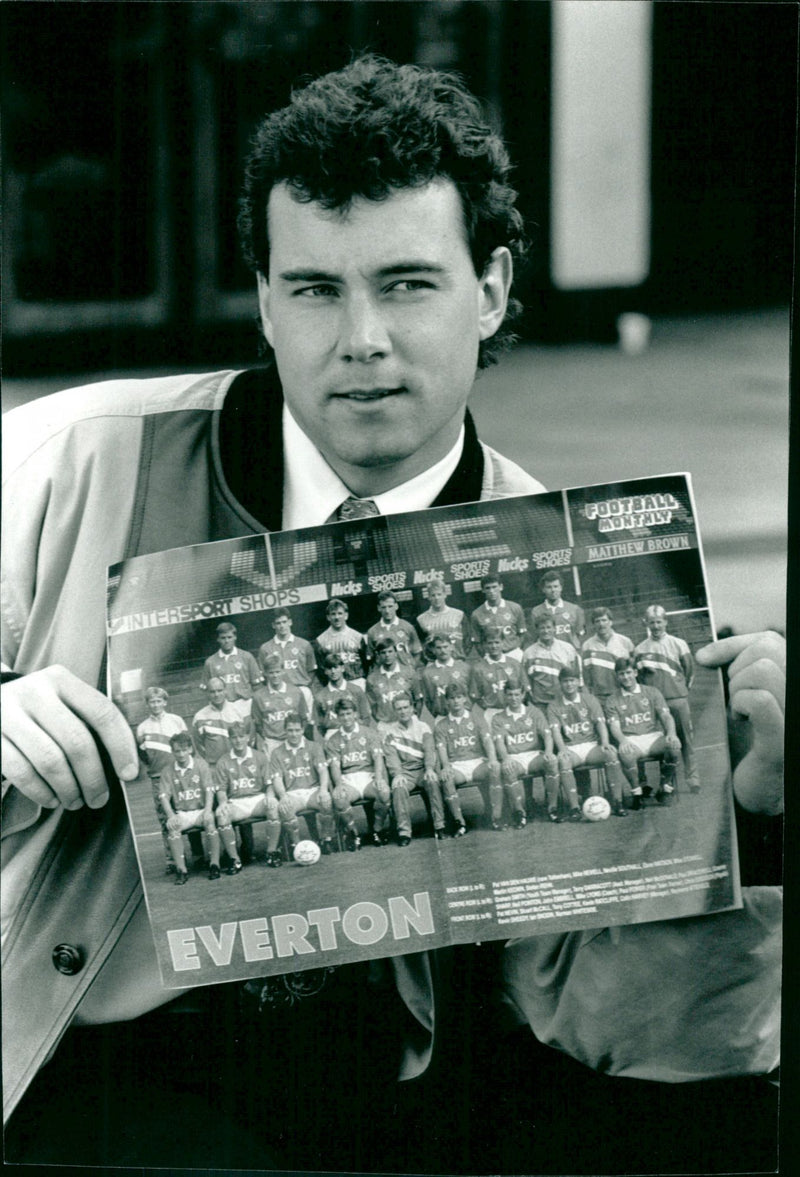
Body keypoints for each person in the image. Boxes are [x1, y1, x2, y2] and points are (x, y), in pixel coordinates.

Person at [1, 54, 782, 1176]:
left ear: (493, 289)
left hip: (406, 1074)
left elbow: (630, 1020)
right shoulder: (68, 461)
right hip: (113, 1057)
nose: (359, 337)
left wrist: (751, 817)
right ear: (265, 300)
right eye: (315, 288)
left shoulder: (572, 571)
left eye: (407, 283)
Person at [634, 604, 700, 791]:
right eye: (651, 622)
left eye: (659, 622)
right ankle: (665, 782)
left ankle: (692, 778)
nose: (655, 626)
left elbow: (690, 671)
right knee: (655, 742)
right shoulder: (640, 649)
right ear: (645, 623)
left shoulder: (679, 643)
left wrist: (680, 690)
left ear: (665, 622)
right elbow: (639, 679)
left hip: (677, 700)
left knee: (685, 740)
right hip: (653, 705)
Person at [548, 666, 628, 819]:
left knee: (610, 753)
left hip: (591, 746)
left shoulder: (590, 699)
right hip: (572, 748)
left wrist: (604, 742)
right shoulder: (553, 705)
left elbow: (600, 723)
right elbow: (555, 731)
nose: (569, 684)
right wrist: (562, 749)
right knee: (563, 761)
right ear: (560, 683)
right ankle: (574, 808)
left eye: (572, 681)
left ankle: (617, 801)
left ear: (578, 682)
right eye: (565, 681)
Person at [604, 657, 682, 807]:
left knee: (674, 747)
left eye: (628, 673)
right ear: (617, 676)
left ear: (635, 672)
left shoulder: (652, 692)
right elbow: (614, 727)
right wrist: (623, 741)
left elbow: (666, 716)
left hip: (653, 737)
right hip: (631, 739)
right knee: (626, 753)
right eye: (621, 674)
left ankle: (665, 788)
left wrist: (671, 733)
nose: (626, 677)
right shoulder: (612, 700)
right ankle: (637, 793)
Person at [213, 719, 282, 871]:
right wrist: (223, 803)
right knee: (222, 815)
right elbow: (221, 790)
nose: (238, 741)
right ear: (229, 739)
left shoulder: (259, 757)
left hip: (257, 800)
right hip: (236, 802)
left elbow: (269, 784)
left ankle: (272, 852)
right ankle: (234, 859)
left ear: (247, 737)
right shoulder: (223, 762)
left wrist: (270, 796)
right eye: (234, 737)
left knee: (273, 807)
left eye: (241, 736)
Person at [135, 685, 189, 872]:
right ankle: (172, 860)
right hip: (158, 777)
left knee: (190, 809)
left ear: (165, 702)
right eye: (152, 701)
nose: (156, 704)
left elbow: (188, 747)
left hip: (180, 774)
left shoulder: (177, 721)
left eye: (159, 701)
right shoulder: (142, 728)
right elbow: (142, 755)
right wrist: (152, 767)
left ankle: (198, 854)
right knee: (164, 816)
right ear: (147, 704)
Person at [435, 681, 503, 830]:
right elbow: (441, 750)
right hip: (457, 766)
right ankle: (459, 822)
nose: (456, 701)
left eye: (459, 697)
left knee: (495, 769)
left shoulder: (477, 718)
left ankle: (496, 817)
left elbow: (487, 741)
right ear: (447, 701)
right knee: (446, 778)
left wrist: (492, 759)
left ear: (465, 698)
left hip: (477, 762)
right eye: (452, 698)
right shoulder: (441, 725)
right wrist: (446, 766)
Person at [325, 696, 391, 849]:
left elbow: (378, 757)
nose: (346, 718)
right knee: (339, 797)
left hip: (368, 776)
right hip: (349, 780)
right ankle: (354, 834)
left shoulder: (369, 733)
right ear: (337, 716)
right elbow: (334, 766)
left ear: (355, 713)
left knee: (384, 792)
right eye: (342, 715)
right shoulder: (333, 740)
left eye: (349, 713)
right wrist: (339, 784)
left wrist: (379, 778)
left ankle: (377, 830)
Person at [491, 681, 559, 828]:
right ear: (505, 696)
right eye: (510, 695)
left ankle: (553, 808)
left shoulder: (534, 712)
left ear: (523, 695)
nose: (513, 698)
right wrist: (506, 758)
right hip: (515, 758)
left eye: (517, 694)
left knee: (552, 762)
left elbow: (547, 735)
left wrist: (548, 752)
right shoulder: (498, 718)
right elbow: (499, 743)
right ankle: (519, 813)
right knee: (507, 768)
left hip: (534, 754)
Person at [158, 731, 221, 884]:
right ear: (172, 751)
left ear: (190, 750)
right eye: (177, 751)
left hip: (200, 811)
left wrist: (207, 811)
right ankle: (182, 870)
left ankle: (214, 865)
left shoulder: (201, 765)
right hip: (183, 813)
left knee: (210, 821)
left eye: (184, 750)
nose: (181, 754)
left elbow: (209, 790)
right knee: (172, 827)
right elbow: (163, 797)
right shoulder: (167, 771)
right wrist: (171, 815)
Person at [270, 713, 335, 860]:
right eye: (290, 730)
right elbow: (277, 779)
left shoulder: (314, 747)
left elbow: (323, 771)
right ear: (285, 731)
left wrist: (323, 790)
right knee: (285, 809)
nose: (294, 734)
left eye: (297, 730)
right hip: (292, 793)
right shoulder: (277, 752)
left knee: (326, 801)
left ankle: (326, 840)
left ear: (302, 730)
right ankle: (297, 846)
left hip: (312, 790)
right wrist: (283, 796)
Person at [382, 692, 444, 844]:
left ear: (412, 708)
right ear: (394, 711)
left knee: (432, 781)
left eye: (405, 707)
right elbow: (391, 757)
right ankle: (404, 832)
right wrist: (397, 774)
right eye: (399, 709)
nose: (403, 711)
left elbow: (430, 750)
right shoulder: (389, 732)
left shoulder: (423, 727)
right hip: (405, 772)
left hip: (422, 768)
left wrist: (429, 768)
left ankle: (439, 825)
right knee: (398, 787)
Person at [257, 607, 317, 714]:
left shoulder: (304, 644)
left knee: (306, 722)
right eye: (278, 623)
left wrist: (302, 685)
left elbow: (311, 670)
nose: (282, 626)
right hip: (277, 692)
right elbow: (264, 674)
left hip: (301, 689)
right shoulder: (265, 648)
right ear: (273, 625)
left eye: (284, 622)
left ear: (290, 622)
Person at [191, 675, 251, 765]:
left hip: (240, 762)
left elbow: (249, 735)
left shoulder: (239, 711)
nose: (216, 695)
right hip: (215, 766)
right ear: (207, 693)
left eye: (220, 690)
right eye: (212, 692)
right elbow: (199, 745)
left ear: (225, 690)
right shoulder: (200, 717)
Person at [200, 621, 263, 706]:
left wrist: (257, 705)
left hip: (245, 703)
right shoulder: (210, 662)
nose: (226, 641)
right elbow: (206, 690)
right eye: (223, 638)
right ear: (218, 639)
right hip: (224, 705)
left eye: (229, 637)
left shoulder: (247, 657)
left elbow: (257, 686)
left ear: (235, 637)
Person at [581, 606, 635, 700]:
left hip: (624, 694)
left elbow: (633, 670)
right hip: (600, 697)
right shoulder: (587, 646)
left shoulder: (625, 642)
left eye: (604, 620)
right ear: (593, 624)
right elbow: (586, 675)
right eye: (597, 621)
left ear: (611, 622)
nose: (601, 624)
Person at [313, 598, 368, 688]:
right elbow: (321, 669)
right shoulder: (321, 640)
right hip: (335, 684)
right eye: (333, 614)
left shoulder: (357, 636)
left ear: (346, 615)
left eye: (340, 613)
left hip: (357, 680)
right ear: (328, 617)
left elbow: (366, 663)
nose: (337, 617)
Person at [469, 574, 527, 660]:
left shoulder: (515, 608)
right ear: (483, 590)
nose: (491, 591)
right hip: (491, 656)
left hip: (513, 653)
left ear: (501, 587)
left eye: (494, 587)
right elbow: (477, 641)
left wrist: (516, 650)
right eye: (488, 588)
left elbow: (522, 634)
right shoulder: (477, 614)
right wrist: (486, 655)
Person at [529, 570, 586, 651]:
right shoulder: (536, 611)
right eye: (549, 587)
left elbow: (580, 634)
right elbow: (534, 637)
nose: (553, 590)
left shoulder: (574, 609)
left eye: (556, 586)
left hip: (570, 653)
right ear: (543, 589)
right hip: (547, 654)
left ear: (561, 588)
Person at [366, 591, 422, 669]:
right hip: (384, 676)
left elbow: (417, 652)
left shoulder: (408, 627)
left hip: (405, 674)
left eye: (390, 606)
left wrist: (411, 669)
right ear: (378, 608)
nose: (387, 611)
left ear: (396, 606)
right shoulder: (372, 631)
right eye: (383, 607)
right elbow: (370, 658)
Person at [415, 575, 468, 658]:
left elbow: (468, 639)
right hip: (434, 664)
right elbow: (420, 645)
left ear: (445, 595)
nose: (436, 598)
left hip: (457, 661)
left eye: (439, 594)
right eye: (433, 595)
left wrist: (461, 655)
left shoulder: (459, 614)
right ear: (428, 597)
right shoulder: (421, 619)